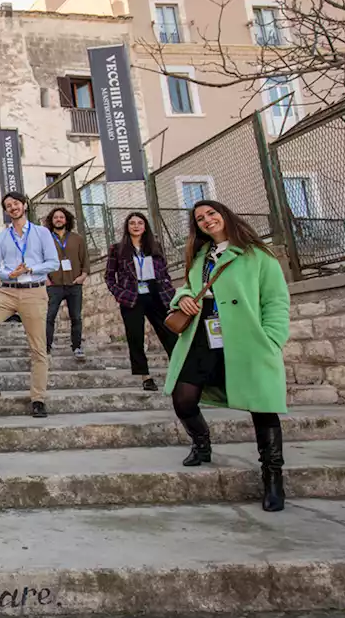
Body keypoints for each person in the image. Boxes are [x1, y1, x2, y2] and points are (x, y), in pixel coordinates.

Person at [165, 200, 290, 511]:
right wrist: (183, 299)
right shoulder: (200, 258)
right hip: (202, 335)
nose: (207, 221)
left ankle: (273, 478)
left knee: (262, 407)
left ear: (225, 215)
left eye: (211, 214)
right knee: (182, 398)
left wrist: (272, 340)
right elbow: (188, 288)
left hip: (246, 339)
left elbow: (276, 301)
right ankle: (202, 443)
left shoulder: (258, 255)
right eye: (200, 219)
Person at [0, 192, 59, 417]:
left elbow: (53, 263)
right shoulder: (0, 238)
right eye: (8, 206)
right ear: (6, 211)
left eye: (16, 204)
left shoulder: (42, 233)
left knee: (38, 347)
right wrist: (10, 273)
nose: (13, 208)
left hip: (34, 293)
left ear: (24, 205)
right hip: (6, 292)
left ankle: (38, 398)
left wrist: (31, 269)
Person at [106, 212, 178, 392]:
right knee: (135, 336)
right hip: (131, 296)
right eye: (132, 223)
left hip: (156, 294)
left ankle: (179, 372)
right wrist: (119, 293)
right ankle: (145, 376)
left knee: (169, 334)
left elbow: (164, 272)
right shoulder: (117, 249)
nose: (136, 226)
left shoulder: (155, 247)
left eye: (140, 223)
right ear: (127, 227)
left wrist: (168, 290)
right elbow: (109, 277)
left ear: (145, 226)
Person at [45, 207, 89, 360]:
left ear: (66, 220)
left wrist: (83, 276)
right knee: (49, 317)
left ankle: (77, 347)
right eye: (55, 217)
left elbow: (85, 259)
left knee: (76, 317)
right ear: (51, 220)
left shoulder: (77, 238)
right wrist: (46, 279)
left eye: (61, 217)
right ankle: (46, 348)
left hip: (74, 283)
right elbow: (39, 259)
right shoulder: (46, 238)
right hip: (54, 284)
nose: (58, 219)